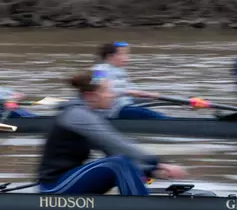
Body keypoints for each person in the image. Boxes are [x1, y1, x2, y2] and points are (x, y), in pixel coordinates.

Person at [37, 70, 186, 195]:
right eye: (107, 90)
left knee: (122, 162)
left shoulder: (88, 114)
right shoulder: (76, 114)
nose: (112, 95)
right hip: (54, 187)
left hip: (69, 180)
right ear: (90, 96)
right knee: (118, 163)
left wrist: (151, 171)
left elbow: (111, 149)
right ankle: (141, 209)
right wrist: (157, 162)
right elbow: (118, 144)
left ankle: (138, 201)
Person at [93, 42, 168, 120]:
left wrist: (149, 97)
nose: (127, 58)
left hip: (124, 108)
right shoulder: (99, 69)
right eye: (122, 54)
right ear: (110, 56)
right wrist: (129, 92)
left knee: (156, 115)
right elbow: (98, 90)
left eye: (127, 54)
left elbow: (134, 96)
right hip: (112, 111)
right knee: (156, 117)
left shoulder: (121, 72)